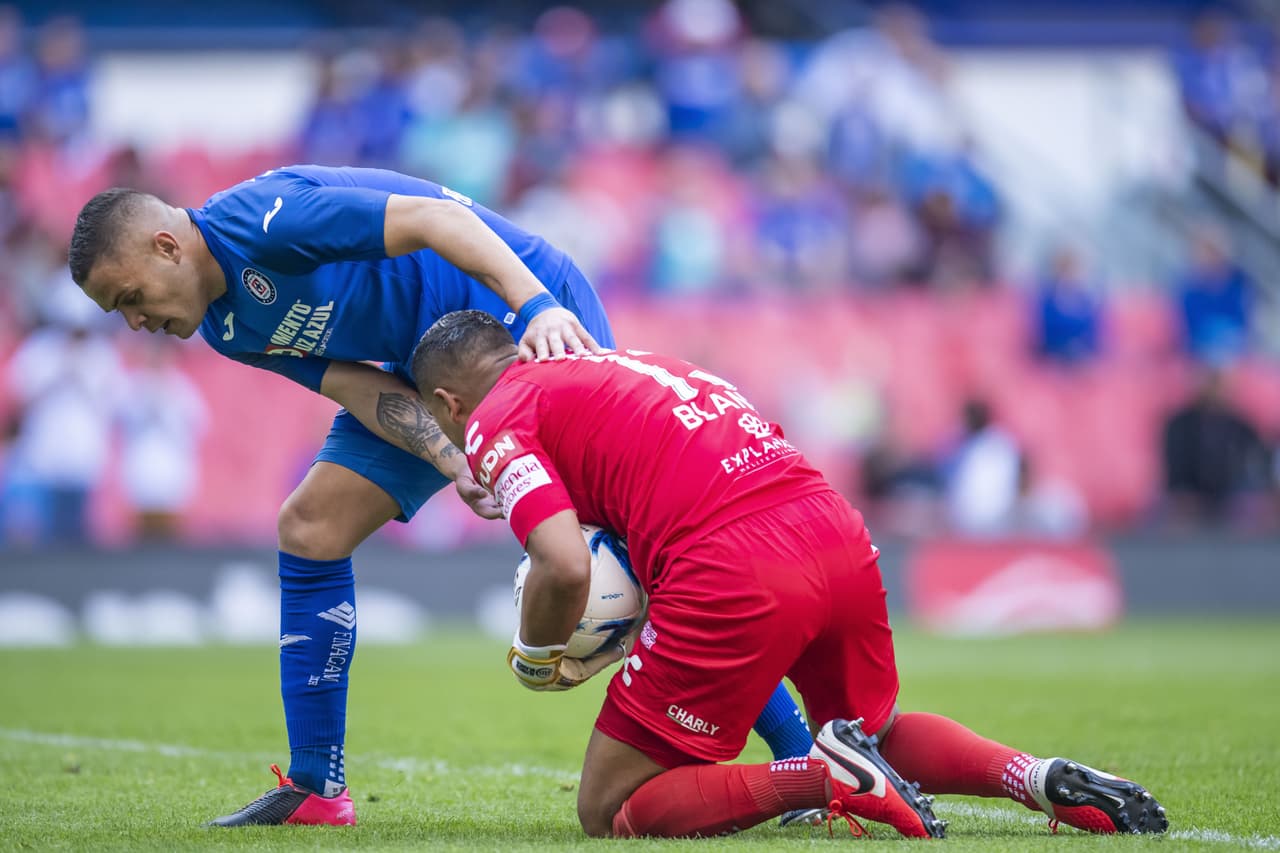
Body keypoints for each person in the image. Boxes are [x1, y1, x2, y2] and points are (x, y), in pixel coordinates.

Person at [66, 163, 813, 826]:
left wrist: (539, 304)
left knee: (629, 548)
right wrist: (453, 455)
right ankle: (317, 786)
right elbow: (356, 384)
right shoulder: (224, 326)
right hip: (425, 372)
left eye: (130, 296)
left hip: (515, 319)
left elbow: (437, 218)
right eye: (119, 312)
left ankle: (805, 759)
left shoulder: (265, 221)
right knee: (311, 526)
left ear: (167, 246)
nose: (136, 321)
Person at [412, 310, 1169, 839]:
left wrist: (538, 655)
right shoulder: (621, 363)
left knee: (612, 805)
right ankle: (1032, 775)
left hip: (733, 562)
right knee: (873, 731)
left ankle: (822, 777)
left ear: (448, 402)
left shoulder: (493, 415)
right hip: (831, 526)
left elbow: (562, 559)